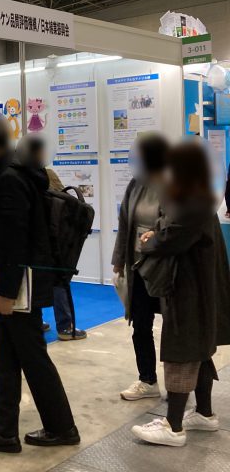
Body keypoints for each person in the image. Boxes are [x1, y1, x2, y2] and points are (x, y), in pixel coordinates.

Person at [0, 114, 79, 454]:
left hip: (16, 286)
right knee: (7, 359)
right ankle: (5, 432)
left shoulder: (9, 179)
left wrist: (6, 292)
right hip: (15, 284)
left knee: (32, 358)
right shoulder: (8, 173)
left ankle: (62, 427)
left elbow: (14, 241)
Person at [132, 142, 230, 447]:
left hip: (189, 290)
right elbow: (171, 228)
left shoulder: (193, 199)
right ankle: (204, 413)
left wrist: (149, 241)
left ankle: (172, 427)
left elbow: (173, 238)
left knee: (182, 351)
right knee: (199, 350)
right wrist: (158, 232)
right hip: (197, 287)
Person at [112, 133, 169, 401]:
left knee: (175, 327)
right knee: (141, 325)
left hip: (166, 268)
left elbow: (175, 225)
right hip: (137, 266)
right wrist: (118, 260)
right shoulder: (135, 184)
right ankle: (147, 380)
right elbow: (125, 223)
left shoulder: (172, 183)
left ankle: (182, 384)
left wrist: (155, 235)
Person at [16, 135, 87, 341]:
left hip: (33, 240)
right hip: (52, 238)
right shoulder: (46, 175)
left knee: (33, 281)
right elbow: (66, 203)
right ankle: (65, 327)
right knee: (59, 281)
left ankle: (38, 322)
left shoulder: (19, 177)